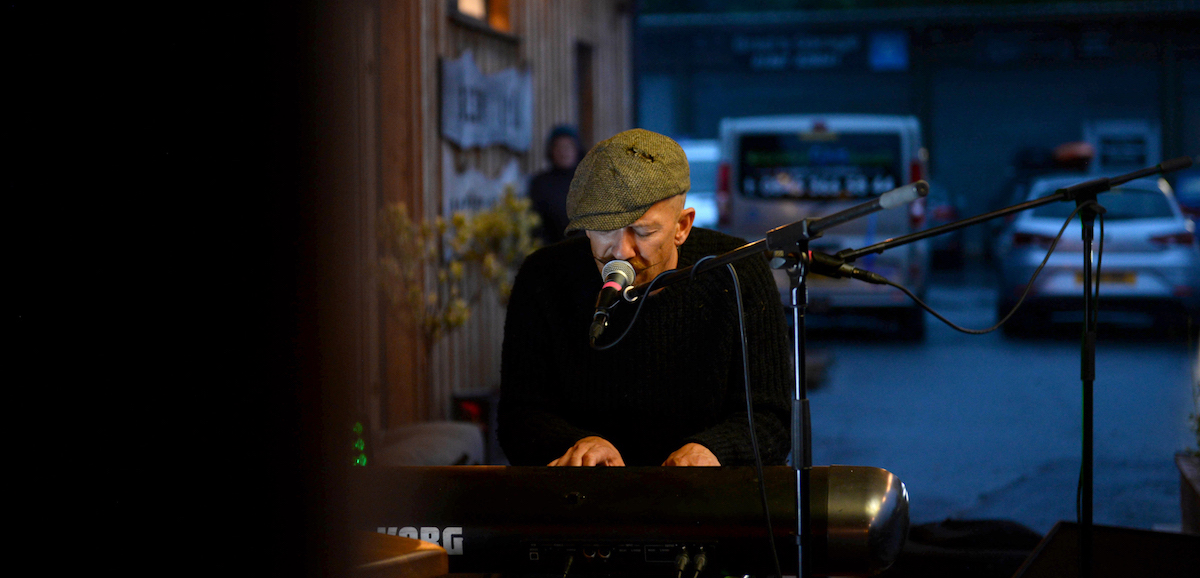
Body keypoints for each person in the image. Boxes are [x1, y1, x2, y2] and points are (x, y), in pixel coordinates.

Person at [498, 128, 791, 467]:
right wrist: (577, 444)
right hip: (584, 503)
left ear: (682, 226)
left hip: (706, 504)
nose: (620, 251)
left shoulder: (737, 269)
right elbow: (519, 417)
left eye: (642, 231)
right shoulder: (544, 277)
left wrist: (713, 450)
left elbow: (773, 420)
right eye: (604, 229)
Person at [528, 125, 583, 245]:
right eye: (559, 147)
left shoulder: (590, 181)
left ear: (577, 150)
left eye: (568, 147)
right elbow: (535, 224)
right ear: (551, 151)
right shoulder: (540, 183)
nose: (564, 152)